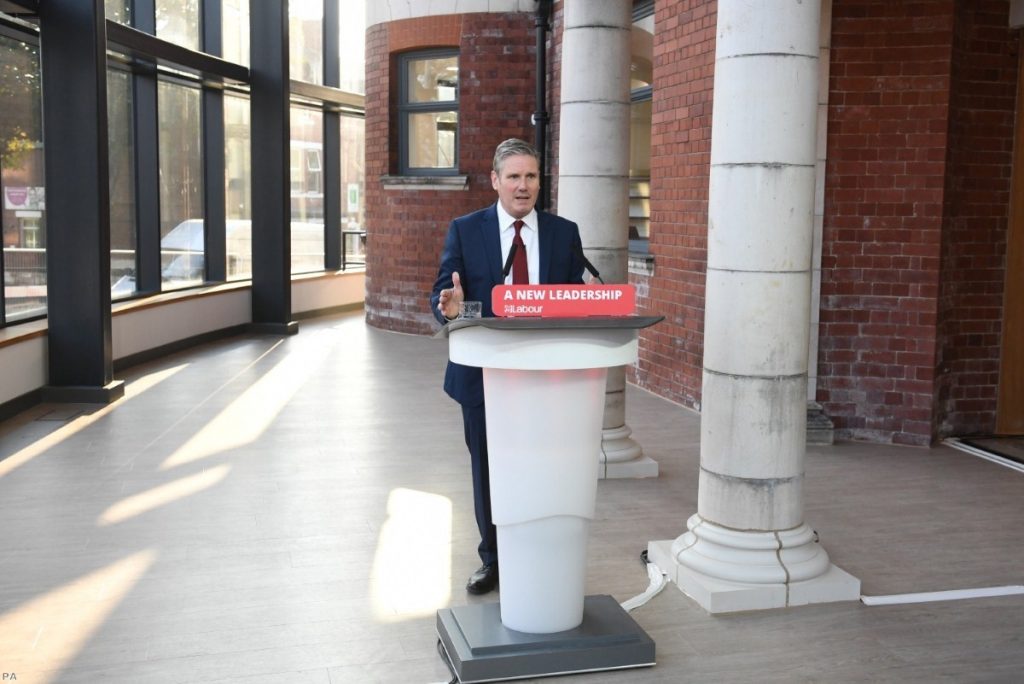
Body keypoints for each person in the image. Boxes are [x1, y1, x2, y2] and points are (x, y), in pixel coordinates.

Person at [430, 138, 586, 595]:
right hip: (484, 375)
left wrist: (590, 298)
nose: (523, 186)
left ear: (540, 182)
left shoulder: (563, 233)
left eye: (531, 177)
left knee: (546, 467)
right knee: (488, 468)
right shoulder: (465, 229)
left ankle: (541, 553)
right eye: (514, 177)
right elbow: (447, 299)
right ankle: (493, 559)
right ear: (496, 181)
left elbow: (570, 302)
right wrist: (455, 308)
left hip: (548, 378)